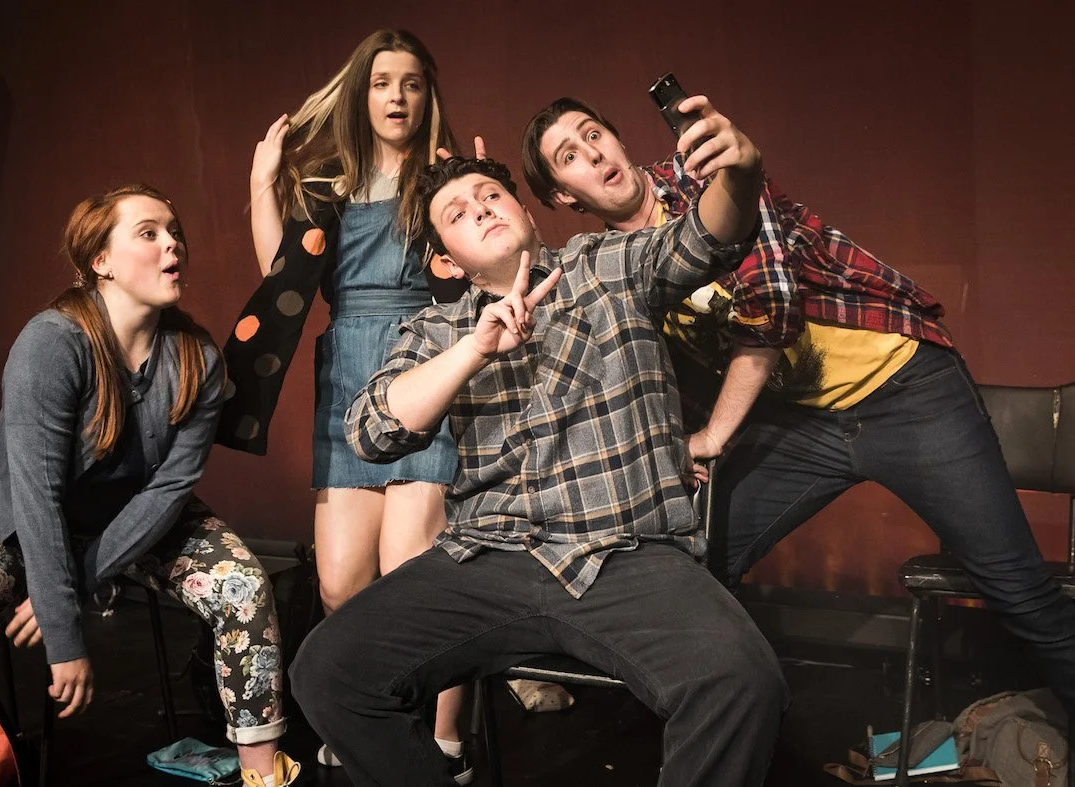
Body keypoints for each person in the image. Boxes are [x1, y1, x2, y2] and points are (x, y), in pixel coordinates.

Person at [520, 94, 1075, 717]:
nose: (593, 153)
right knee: (698, 568)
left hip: (906, 388)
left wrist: (713, 437)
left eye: (594, 133)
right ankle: (730, 728)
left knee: (1020, 593)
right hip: (806, 426)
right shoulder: (613, 266)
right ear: (564, 195)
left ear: (619, 138)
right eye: (570, 155)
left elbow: (771, 306)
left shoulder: (708, 176)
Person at [289, 104, 788, 787]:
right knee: (326, 670)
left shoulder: (606, 266)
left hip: (625, 552)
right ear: (446, 259)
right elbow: (372, 429)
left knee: (742, 678)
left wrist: (742, 170)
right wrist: (474, 348)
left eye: (490, 195)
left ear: (524, 212)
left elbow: (706, 240)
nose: (481, 208)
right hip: (486, 560)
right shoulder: (436, 331)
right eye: (458, 212)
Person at [0, 186, 298, 787]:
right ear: (100, 261)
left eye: (174, 231)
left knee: (243, 585)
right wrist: (64, 638)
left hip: (136, 516)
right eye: (149, 233)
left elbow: (167, 492)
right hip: (17, 513)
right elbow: (37, 496)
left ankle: (263, 773)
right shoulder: (51, 342)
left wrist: (80, 581)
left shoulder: (197, 358)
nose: (173, 244)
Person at [215, 29, 471, 778]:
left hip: (423, 363)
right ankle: (368, 716)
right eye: (382, 82)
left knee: (413, 568)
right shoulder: (328, 184)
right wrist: (263, 182)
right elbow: (279, 278)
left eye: (412, 82)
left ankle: (448, 736)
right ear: (361, 94)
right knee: (338, 582)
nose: (397, 96)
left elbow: (484, 264)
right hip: (347, 373)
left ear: (428, 96)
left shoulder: (443, 176)